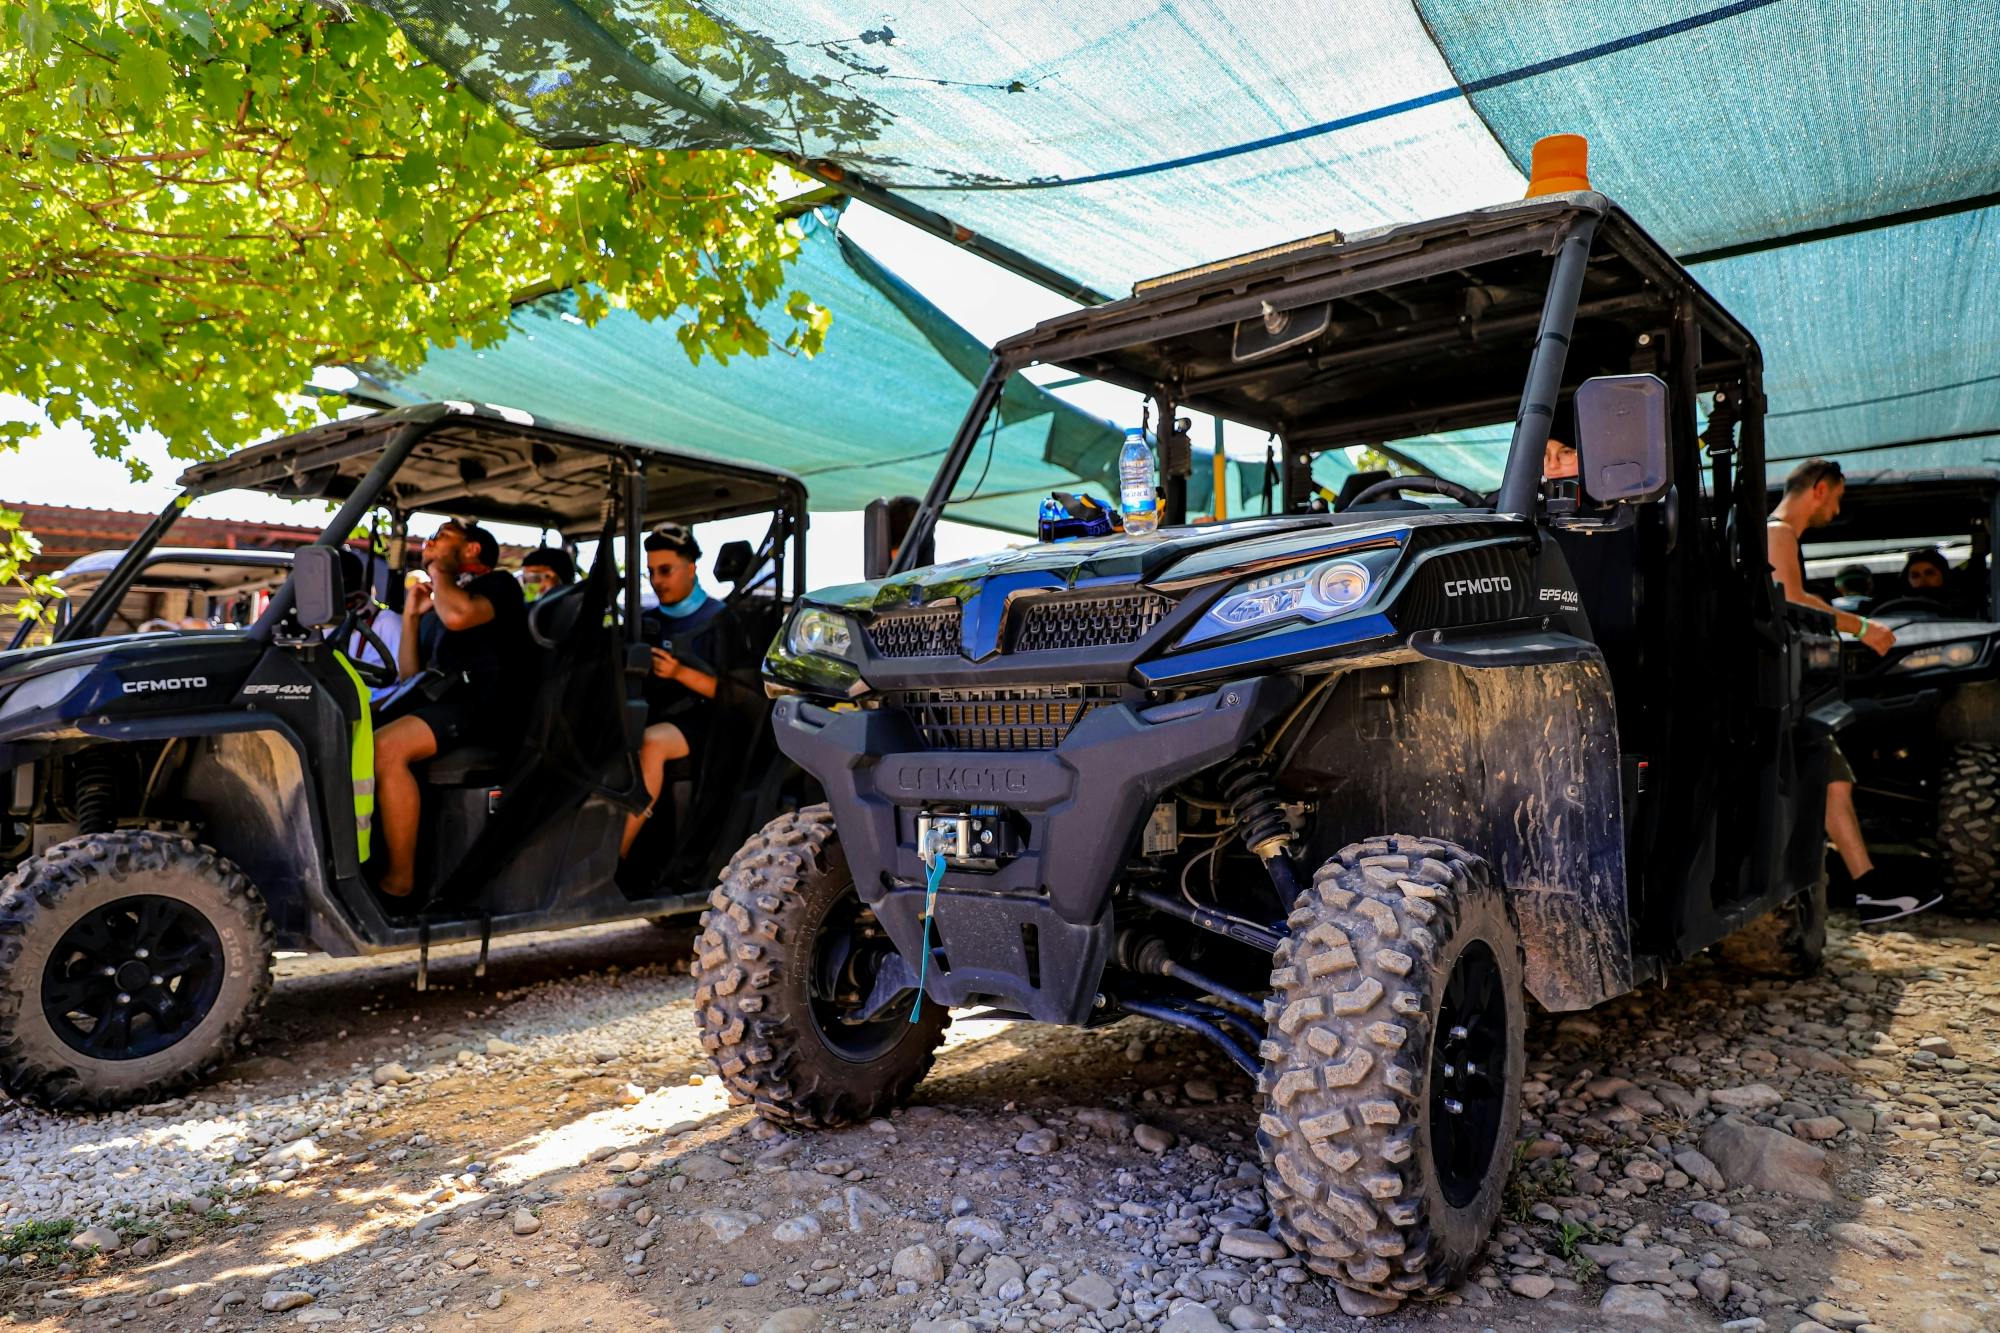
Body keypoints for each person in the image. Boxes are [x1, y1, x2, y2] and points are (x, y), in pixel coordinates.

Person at [1768, 459, 1941, 926]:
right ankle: (1865, 889)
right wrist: (1862, 626)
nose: (1838, 507)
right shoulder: (1779, 530)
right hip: (1781, 692)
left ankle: (1867, 888)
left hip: (1792, 690)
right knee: (1826, 775)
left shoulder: (1780, 534)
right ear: (1820, 490)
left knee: (1833, 778)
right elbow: (1789, 599)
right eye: (1839, 497)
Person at [373, 520, 530, 898]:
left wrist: (438, 571)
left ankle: (400, 881)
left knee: (385, 748)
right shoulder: (442, 599)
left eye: (441, 536)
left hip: (482, 709)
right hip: (441, 703)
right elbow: (411, 672)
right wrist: (412, 615)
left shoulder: (498, 585)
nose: (429, 542)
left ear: (472, 549)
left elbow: (461, 616)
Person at [622, 524, 730, 857]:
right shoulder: (646, 619)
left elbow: (737, 693)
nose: (657, 580)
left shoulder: (721, 619)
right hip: (651, 711)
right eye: (651, 572)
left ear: (691, 567)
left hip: (708, 723)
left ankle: (616, 856)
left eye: (665, 570)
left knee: (651, 744)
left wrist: (679, 672)